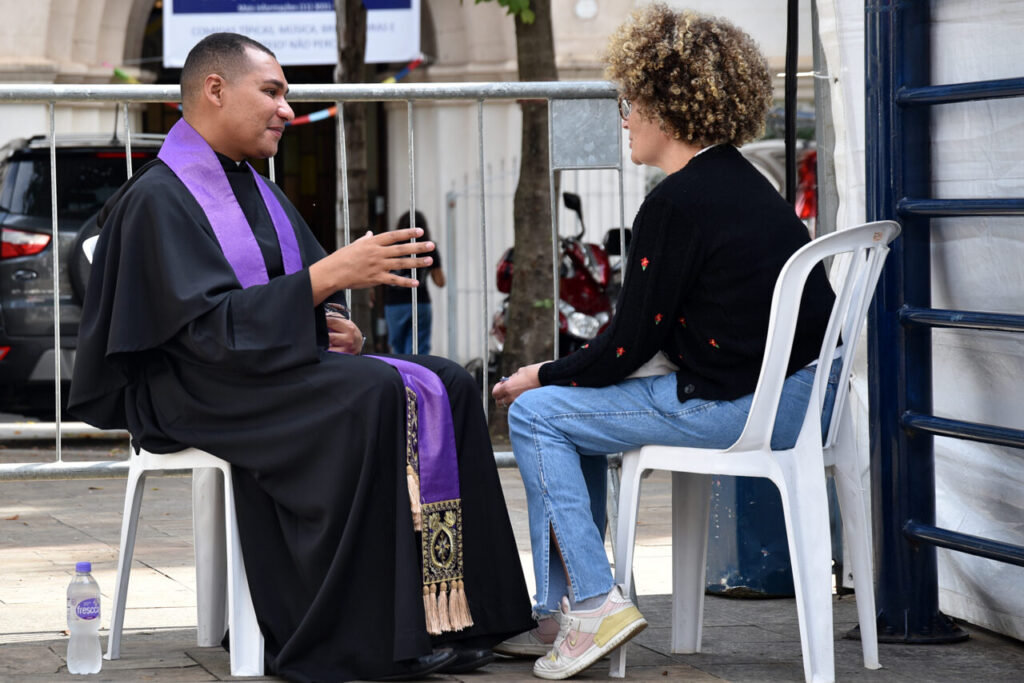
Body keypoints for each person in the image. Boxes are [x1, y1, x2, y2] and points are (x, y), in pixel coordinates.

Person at [69, 32, 533, 682]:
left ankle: (458, 611)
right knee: (373, 396)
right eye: (273, 92)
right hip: (193, 387)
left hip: (251, 369)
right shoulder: (158, 198)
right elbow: (204, 333)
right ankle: (355, 634)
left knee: (447, 381)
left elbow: (287, 298)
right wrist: (328, 280)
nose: (288, 109)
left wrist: (336, 327)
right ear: (214, 89)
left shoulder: (255, 188)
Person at [491, 5, 838, 680]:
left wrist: (540, 372)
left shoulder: (675, 203)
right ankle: (559, 612)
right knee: (566, 407)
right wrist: (564, 374)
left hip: (740, 407)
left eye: (630, 101)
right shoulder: (744, 181)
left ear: (665, 105)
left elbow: (624, 346)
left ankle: (588, 603)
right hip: (801, 400)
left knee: (537, 412)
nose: (623, 117)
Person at [383, 210, 446, 354]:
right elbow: (440, 282)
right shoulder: (428, 248)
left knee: (397, 348)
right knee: (419, 348)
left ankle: (400, 375)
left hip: (394, 304)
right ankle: (417, 375)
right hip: (420, 302)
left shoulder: (391, 248)